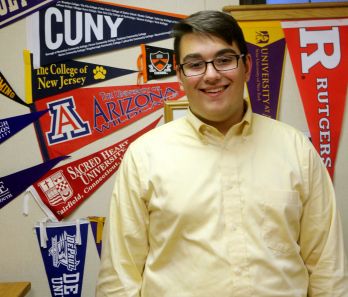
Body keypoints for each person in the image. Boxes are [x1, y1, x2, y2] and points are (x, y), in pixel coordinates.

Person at [96, 10, 348, 297]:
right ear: (180, 74)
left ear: (247, 66)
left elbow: (327, 269)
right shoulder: (144, 157)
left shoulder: (296, 150)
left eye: (225, 60)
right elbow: (119, 278)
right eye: (195, 64)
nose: (212, 75)